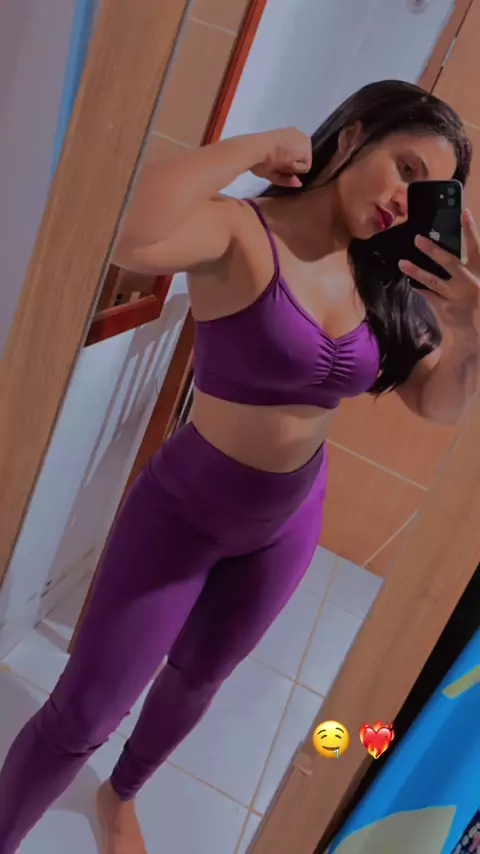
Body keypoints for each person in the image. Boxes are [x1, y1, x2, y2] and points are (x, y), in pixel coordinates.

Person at [0, 79, 479, 854]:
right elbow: (127, 234)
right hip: (184, 514)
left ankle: (122, 795)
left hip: (289, 522)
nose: (406, 199)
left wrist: (469, 331)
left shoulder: (383, 279)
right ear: (352, 136)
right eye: (406, 169)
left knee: (199, 677)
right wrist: (253, 148)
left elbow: (437, 404)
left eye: (429, 192)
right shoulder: (239, 232)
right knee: (81, 716)